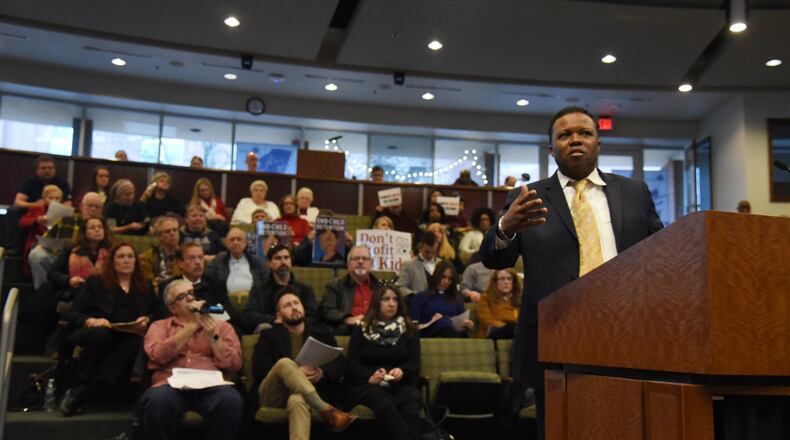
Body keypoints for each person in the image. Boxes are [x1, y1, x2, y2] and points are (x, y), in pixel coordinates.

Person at [480, 106, 663, 439]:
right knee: (561, 429)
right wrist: (505, 226)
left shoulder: (635, 192)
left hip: (625, 331)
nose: (575, 140)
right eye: (564, 135)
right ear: (551, 148)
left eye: (584, 133)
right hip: (555, 336)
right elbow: (495, 259)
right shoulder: (528, 196)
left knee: (623, 426)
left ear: (598, 143)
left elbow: (661, 253)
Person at [59, 243, 158, 416]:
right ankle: (86, 387)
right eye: (121, 257)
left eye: (130, 256)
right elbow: (71, 313)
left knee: (135, 341)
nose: (126, 260)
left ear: (136, 261)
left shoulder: (145, 285)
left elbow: (158, 312)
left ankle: (82, 391)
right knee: (101, 335)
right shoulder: (96, 282)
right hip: (97, 332)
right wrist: (90, 320)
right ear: (112, 261)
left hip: (129, 334)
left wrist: (147, 319)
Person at [141, 280, 243, 440]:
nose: (190, 298)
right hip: (171, 384)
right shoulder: (159, 326)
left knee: (230, 400)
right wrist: (191, 326)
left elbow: (235, 365)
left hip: (211, 385)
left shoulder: (221, 326)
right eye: (182, 296)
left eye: (191, 293)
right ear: (172, 307)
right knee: (157, 401)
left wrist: (213, 337)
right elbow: (157, 355)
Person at [252, 290, 356, 438]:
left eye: (296, 303)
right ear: (279, 315)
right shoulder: (268, 335)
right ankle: (326, 410)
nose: (294, 307)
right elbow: (259, 368)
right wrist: (295, 373)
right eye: (287, 305)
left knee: (297, 400)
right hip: (275, 393)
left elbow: (340, 363)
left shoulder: (321, 332)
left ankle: (323, 409)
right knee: (285, 363)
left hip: (310, 393)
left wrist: (322, 373)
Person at [346, 285, 422, 440]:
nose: (392, 304)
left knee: (411, 400)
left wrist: (402, 371)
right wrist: (370, 376)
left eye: (395, 299)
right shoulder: (361, 329)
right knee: (381, 399)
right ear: (377, 303)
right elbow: (352, 364)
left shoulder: (409, 329)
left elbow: (414, 362)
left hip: (399, 383)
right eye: (386, 299)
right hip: (368, 384)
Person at [242, 244, 318, 333]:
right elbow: (248, 315)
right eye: (278, 258)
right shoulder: (259, 289)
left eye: (286, 258)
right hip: (271, 331)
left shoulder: (305, 289)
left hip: (299, 329)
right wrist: (275, 319)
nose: (283, 262)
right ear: (269, 263)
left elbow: (313, 317)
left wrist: (293, 320)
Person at [47, 217, 112, 319]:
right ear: (84, 233)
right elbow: (52, 273)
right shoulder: (71, 250)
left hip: (105, 292)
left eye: (100, 227)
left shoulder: (111, 252)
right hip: (78, 290)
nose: (97, 230)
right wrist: (69, 280)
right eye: (92, 227)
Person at [157, 243, 236, 326]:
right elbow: (164, 317)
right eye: (191, 258)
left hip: (212, 329)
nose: (198, 262)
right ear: (180, 263)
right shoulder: (168, 286)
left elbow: (226, 310)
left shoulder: (215, 282)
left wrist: (206, 309)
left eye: (200, 257)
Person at [5, 155, 72, 253]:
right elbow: (18, 201)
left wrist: (54, 206)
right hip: (34, 211)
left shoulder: (62, 183)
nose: (47, 171)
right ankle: (14, 247)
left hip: (56, 212)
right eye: (44, 168)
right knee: (12, 211)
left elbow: (68, 205)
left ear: (55, 169)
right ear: (37, 170)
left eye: (50, 168)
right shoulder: (30, 182)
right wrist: (34, 205)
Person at [205, 228, 271, 324]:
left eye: (239, 239)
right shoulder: (218, 261)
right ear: (227, 244)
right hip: (226, 310)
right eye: (232, 240)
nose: (235, 242)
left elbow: (267, 282)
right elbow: (208, 283)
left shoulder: (256, 261)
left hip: (254, 308)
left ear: (245, 242)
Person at [318, 245, 381, 335]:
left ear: (370, 264)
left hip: (377, 331)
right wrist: (347, 319)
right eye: (356, 258)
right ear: (348, 264)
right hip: (350, 331)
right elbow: (327, 311)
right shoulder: (335, 285)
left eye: (365, 258)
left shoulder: (381, 287)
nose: (360, 261)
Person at [410, 260, 473, 338]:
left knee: (445, 321)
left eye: (450, 279)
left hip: (452, 335)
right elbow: (413, 328)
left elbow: (461, 322)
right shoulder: (420, 297)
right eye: (443, 277)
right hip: (429, 334)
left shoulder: (456, 299)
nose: (446, 281)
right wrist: (431, 322)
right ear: (437, 275)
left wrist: (467, 325)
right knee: (443, 321)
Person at [18, 184, 63, 280]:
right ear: (44, 198)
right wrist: (36, 220)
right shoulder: (37, 209)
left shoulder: (63, 212)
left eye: (57, 198)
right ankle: (42, 289)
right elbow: (22, 222)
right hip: (38, 244)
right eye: (51, 198)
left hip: (58, 247)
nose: (54, 201)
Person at [477, 269, 521, 339]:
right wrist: (506, 327)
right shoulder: (486, 298)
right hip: (493, 333)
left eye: (509, 279)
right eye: (502, 279)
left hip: (515, 333)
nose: (506, 282)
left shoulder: (519, 299)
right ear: (495, 282)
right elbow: (487, 321)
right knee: (512, 328)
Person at [139, 216, 182, 287]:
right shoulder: (146, 258)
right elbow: (147, 283)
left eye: (175, 230)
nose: (172, 233)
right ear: (159, 236)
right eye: (167, 231)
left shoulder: (186, 254)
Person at [397, 231, 441, 298]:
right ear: (420, 247)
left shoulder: (441, 264)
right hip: (417, 305)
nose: (430, 255)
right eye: (427, 252)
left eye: (433, 252)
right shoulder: (408, 264)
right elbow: (401, 287)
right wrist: (417, 296)